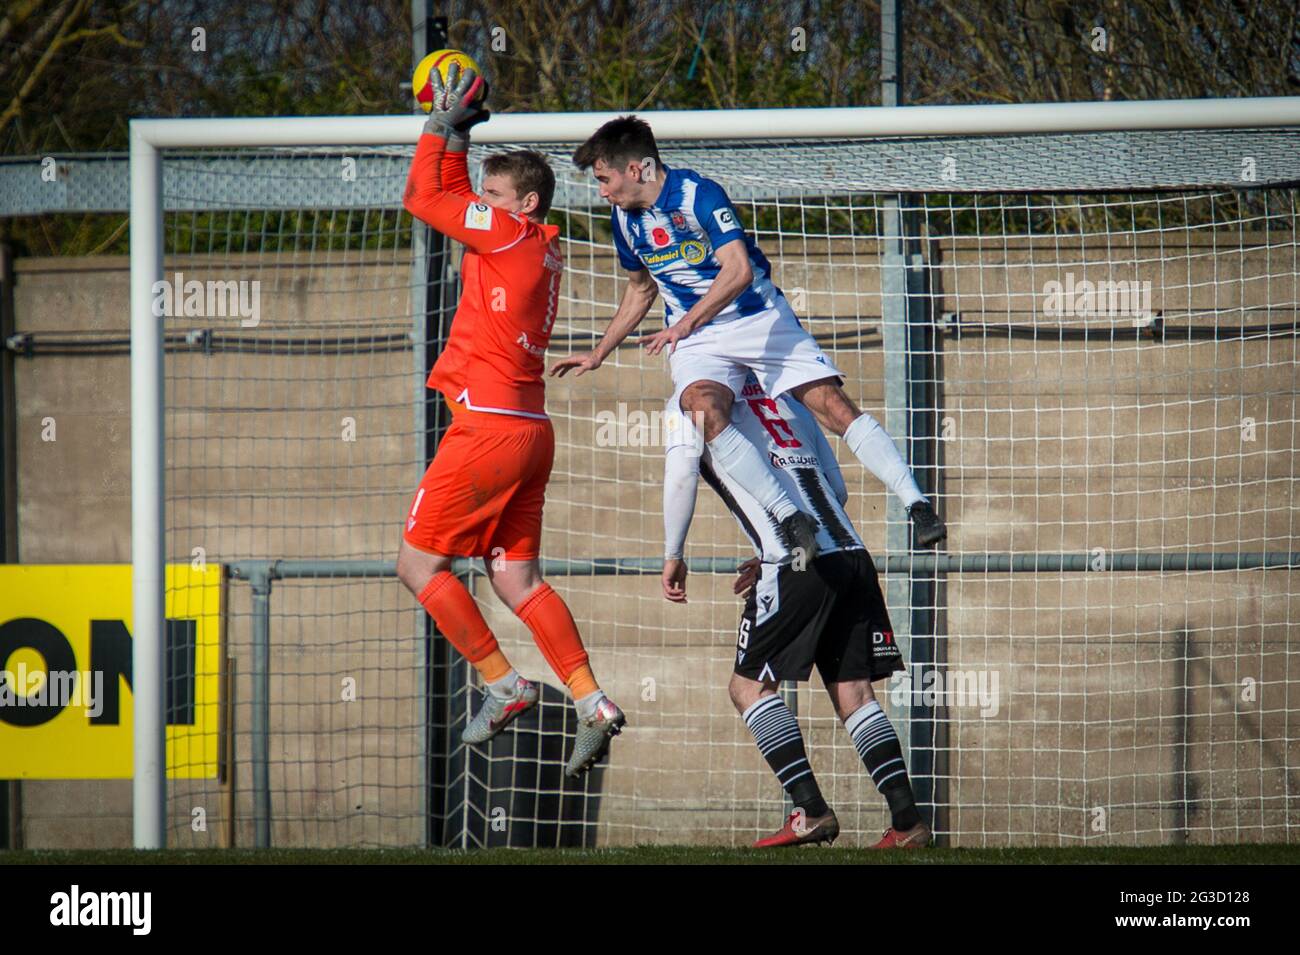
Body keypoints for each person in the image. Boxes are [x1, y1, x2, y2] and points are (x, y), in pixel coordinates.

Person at [552, 114, 946, 553]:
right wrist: (599, 352)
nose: (602, 191)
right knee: (701, 409)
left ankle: (916, 504)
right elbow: (641, 289)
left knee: (832, 406)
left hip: (758, 319)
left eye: (605, 179)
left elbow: (738, 271)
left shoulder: (699, 194)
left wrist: (685, 322)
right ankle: (788, 516)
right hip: (701, 340)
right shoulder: (625, 220)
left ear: (637, 168)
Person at [396, 66, 623, 778]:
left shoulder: (507, 236)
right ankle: (593, 701)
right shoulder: (539, 243)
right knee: (516, 579)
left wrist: (439, 129)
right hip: (529, 429)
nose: (479, 207)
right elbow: (455, 195)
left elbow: (424, 196)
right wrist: (460, 136)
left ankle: (503, 683)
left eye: (492, 198)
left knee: (416, 564)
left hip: (489, 428)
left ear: (522, 202)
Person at [661, 371, 931, 848]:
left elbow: (682, 474)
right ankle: (907, 823)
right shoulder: (787, 397)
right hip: (850, 554)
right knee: (855, 693)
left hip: (794, 563)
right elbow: (835, 488)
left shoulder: (690, 401)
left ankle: (810, 810)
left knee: (747, 688)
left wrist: (674, 553)